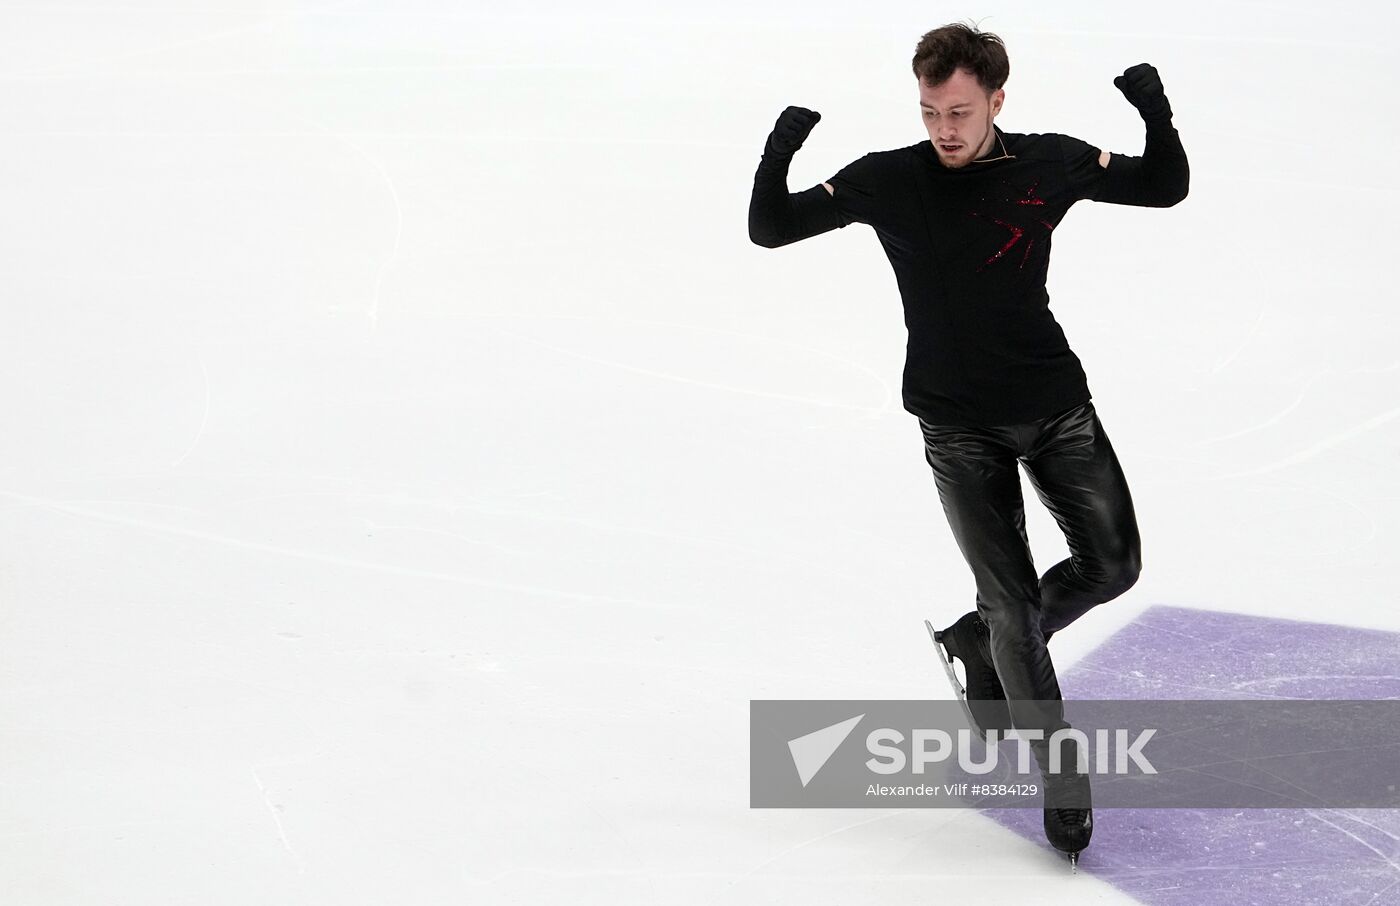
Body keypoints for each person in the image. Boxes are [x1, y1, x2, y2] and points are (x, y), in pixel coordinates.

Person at [747, 21, 1188, 868]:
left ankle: (978, 640)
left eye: (958, 111)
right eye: (928, 112)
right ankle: (1061, 781)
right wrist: (783, 143)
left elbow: (1164, 186)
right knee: (1016, 608)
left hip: (1057, 404)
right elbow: (772, 227)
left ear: (995, 100)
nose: (943, 130)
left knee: (1115, 565)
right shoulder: (889, 180)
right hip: (956, 425)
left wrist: (1152, 109)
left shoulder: (1050, 163)